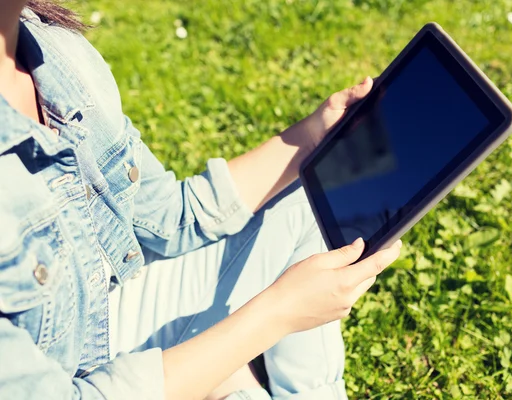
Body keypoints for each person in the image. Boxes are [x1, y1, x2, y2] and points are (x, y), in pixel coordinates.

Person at [0, 1, 402, 399]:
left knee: (305, 198)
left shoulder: (52, 49)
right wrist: (276, 314)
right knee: (237, 378)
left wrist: (310, 136)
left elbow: (162, 218)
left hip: (103, 320)